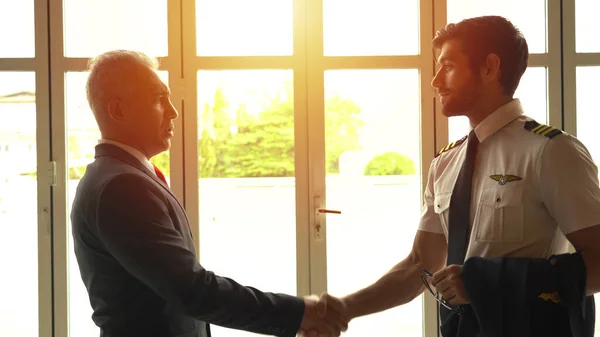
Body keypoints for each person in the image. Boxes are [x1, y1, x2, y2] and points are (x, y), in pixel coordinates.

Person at [314, 15, 600, 336]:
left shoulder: (552, 151)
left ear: (489, 68)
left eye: (447, 66)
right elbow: (418, 265)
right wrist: (345, 308)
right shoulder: (445, 163)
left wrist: (484, 282)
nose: (436, 81)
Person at [70, 50, 348, 337]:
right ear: (118, 110)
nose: (173, 111)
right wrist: (299, 313)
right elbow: (192, 291)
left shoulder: (116, 175)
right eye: (158, 99)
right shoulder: (121, 187)